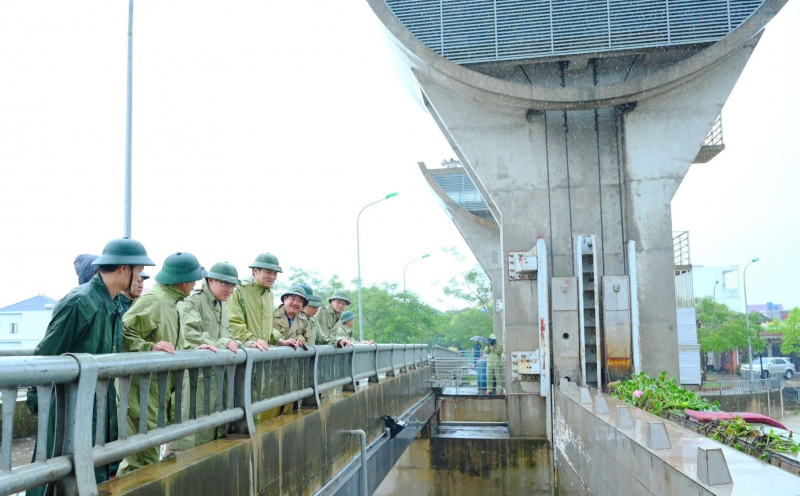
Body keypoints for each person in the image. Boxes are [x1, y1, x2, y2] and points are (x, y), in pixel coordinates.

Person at [27, 238, 155, 495]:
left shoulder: (113, 303)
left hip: (97, 405)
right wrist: (36, 397)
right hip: (67, 406)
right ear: (122, 269)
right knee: (55, 473)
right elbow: (46, 354)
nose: (140, 278)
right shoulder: (81, 302)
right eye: (138, 271)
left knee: (91, 471)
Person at [118, 252, 214, 475]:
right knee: (141, 454)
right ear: (183, 281)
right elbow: (121, 334)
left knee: (150, 449)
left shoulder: (174, 303)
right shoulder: (155, 300)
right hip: (141, 387)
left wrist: (191, 348)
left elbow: (170, 341)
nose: (196, 284)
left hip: (158, 386)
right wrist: (148, 347)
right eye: (194, 279)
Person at [171, 262, 241, 451]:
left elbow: (228, 335)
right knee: (192, 431)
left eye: (232, 286)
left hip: (217, 376)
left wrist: (245, 344)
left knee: (213, 428)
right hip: (197, 376)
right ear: (210, 280)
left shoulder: (222, 306)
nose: (229, 289)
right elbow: (190, 333)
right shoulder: (194, 301)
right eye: (225, 284)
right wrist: (222, 344)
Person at [228, 253, 301, 351]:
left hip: (262, 353)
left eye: (275, 273)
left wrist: (280, 340)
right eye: (268, 272)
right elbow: (233, 323)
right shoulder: (239, 290)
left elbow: (267, 327)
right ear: (255, 271)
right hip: (243, 352)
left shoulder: (269, 294)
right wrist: (252, 340)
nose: (272, 277)